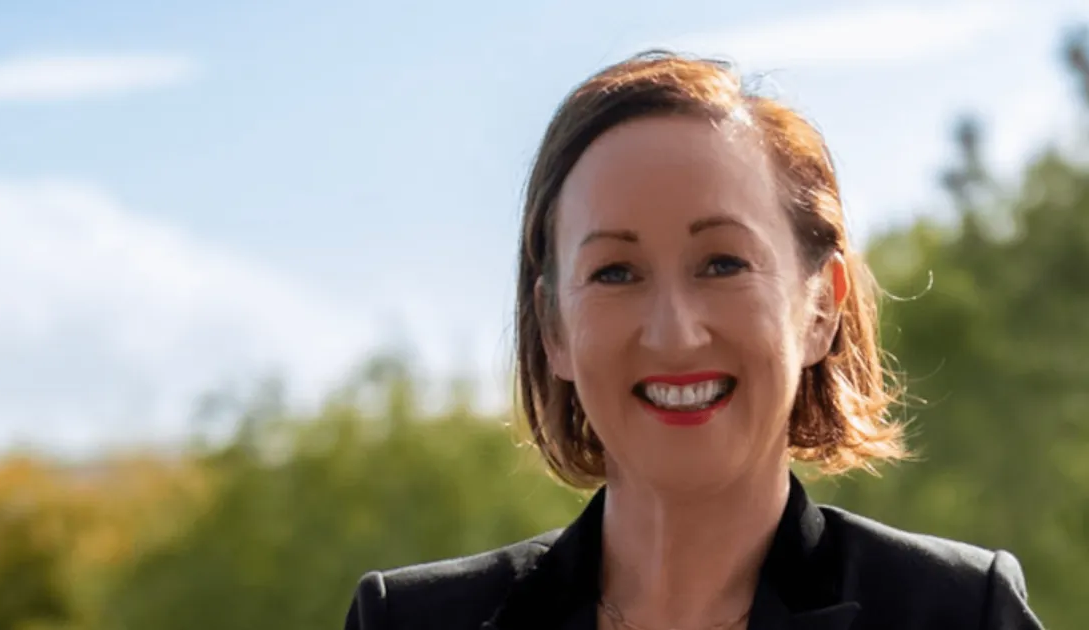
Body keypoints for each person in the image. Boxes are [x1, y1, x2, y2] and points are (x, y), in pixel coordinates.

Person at [342, 51, 1044, 630]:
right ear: (553, 328)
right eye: (616, 271)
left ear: (822, 309)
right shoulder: (406, 621)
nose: (675, 333)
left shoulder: (957, 612)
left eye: (723, 264)